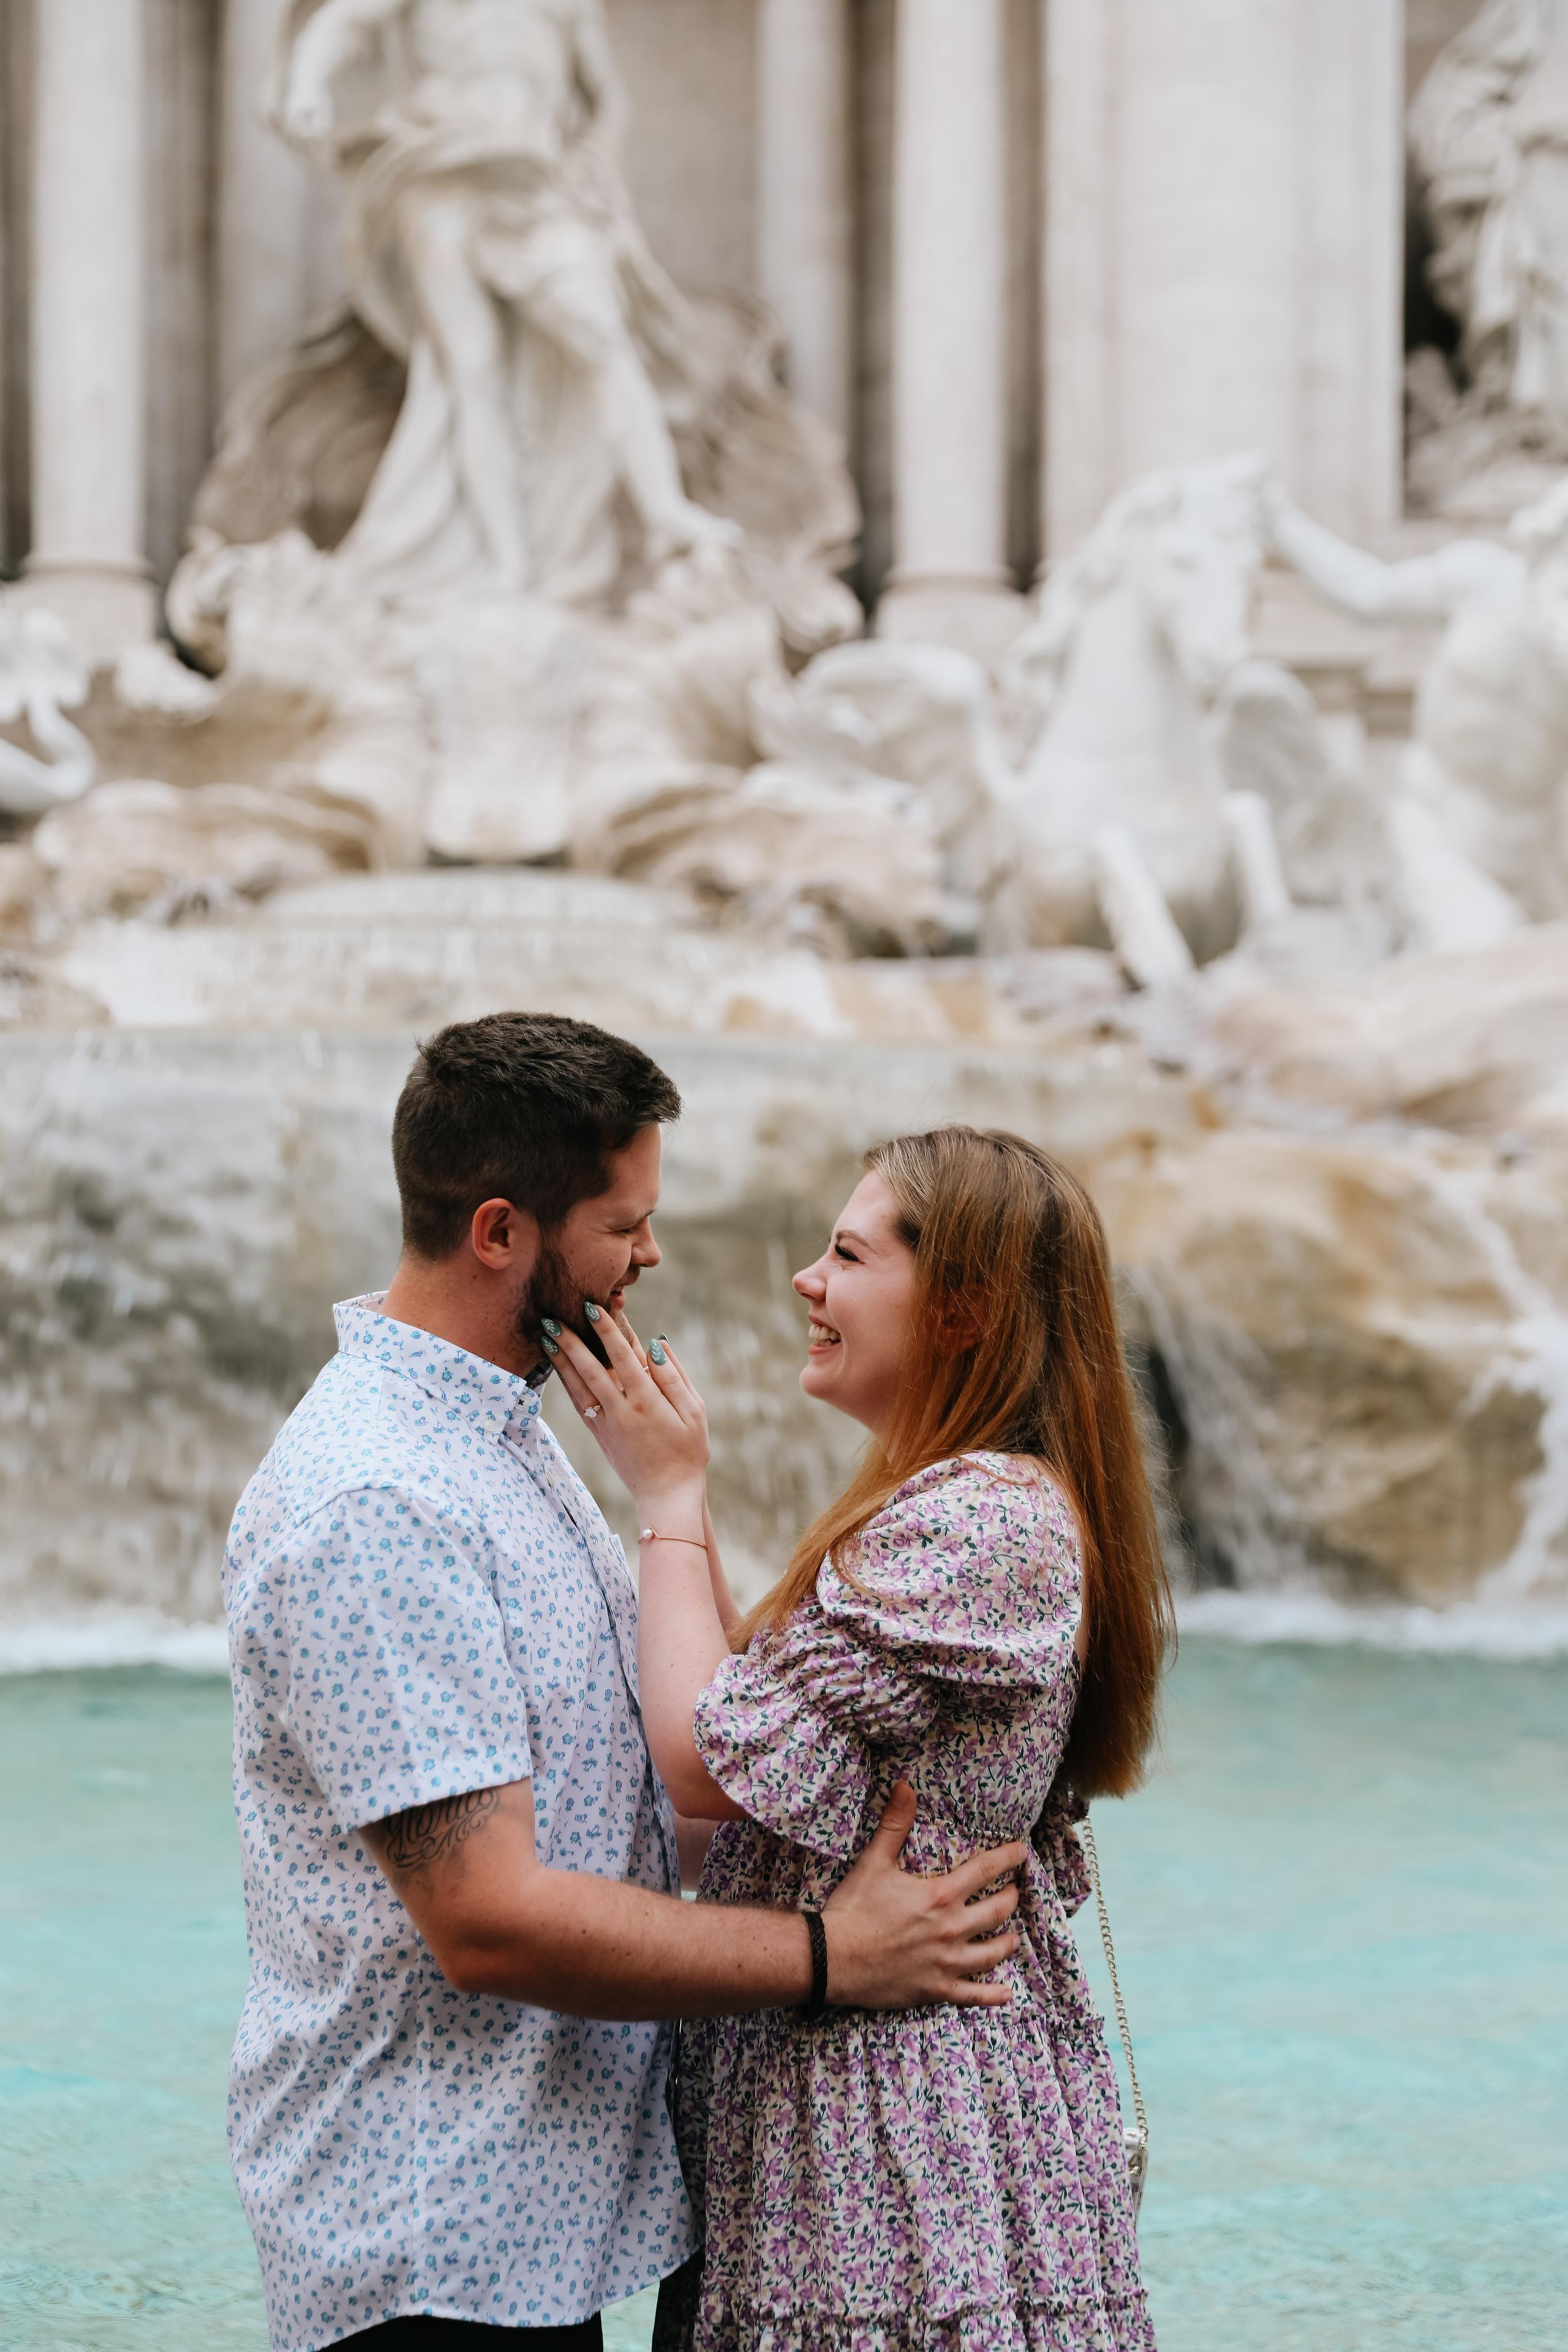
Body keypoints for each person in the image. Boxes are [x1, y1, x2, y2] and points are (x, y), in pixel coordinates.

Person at [222, 1016, 1028, 2352]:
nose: (648, 1258)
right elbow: (488, 1921)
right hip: (434, 2238)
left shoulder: (506, 1429)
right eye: (623, 1225)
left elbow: (674, 1767)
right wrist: (834, 1958)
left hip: (545, 2212)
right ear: (499, 1232)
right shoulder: (378, 1504)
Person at [550, 1125, 1173, 2352]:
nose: (806, 1282)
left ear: (960, 1310)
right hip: (868, 2107)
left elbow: (702, 1755)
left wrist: (671, 1500)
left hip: (894, 2139)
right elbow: (758, 1716)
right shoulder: (951, 1503)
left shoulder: (984, 1521)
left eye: (845, 1254)